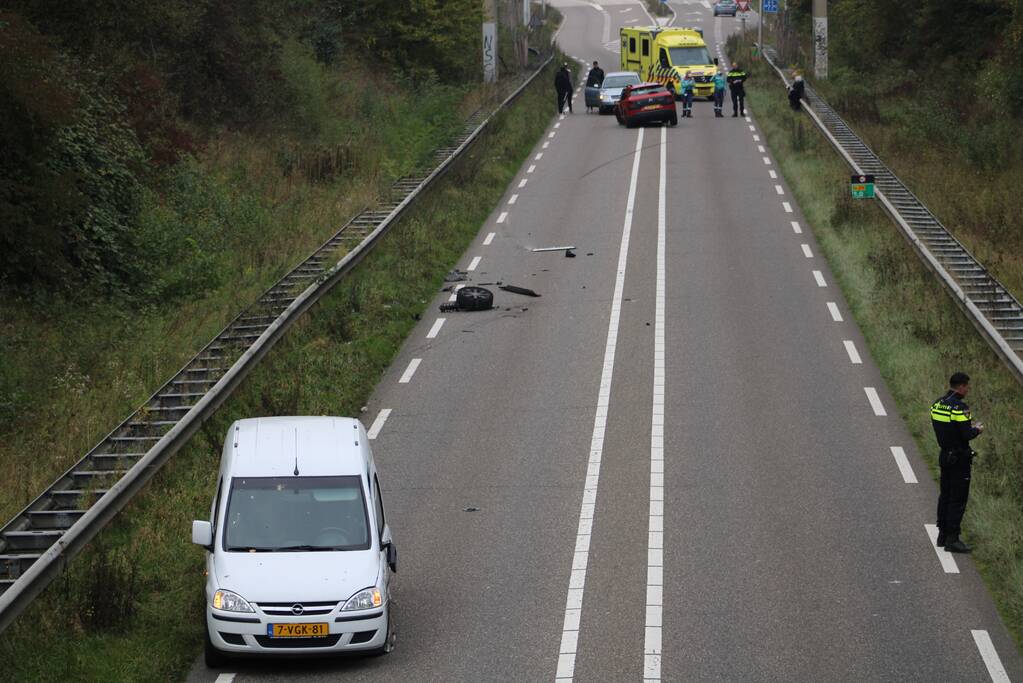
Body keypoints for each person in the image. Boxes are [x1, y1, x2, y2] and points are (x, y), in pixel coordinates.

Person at [931, 372, 984, 553]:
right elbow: (966, 434)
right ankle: (952, 539)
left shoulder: (937, 404)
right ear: (961, 386)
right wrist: (977, 429)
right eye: (967, 386)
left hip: (945, 456)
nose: (968, 389)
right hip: (960, 459)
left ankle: (942, 534)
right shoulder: (960, 408)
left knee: (945, 495)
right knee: (958, 499)